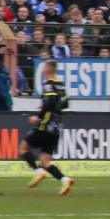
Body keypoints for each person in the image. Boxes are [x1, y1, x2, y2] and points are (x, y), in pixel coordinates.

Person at [19, 60, 75, 195]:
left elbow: (51, 101)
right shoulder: (61, 86)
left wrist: (38, 116)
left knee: (23, 148)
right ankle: (65, 180)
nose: (43, 70)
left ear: (48, 69)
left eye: (44, 68)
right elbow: (66, 103)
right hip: (57, 127)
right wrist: (51, 108)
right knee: (45, 161)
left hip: (46, 124)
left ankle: (38, 172)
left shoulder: (48, 85)